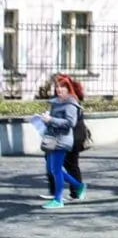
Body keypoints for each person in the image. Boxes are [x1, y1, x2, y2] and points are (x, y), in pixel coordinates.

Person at [39, 75, 86, 209]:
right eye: (57, 87)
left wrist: (51, 120)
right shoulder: (55, 102)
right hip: (52, 138)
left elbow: (71, 122)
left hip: (63, 140)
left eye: (62, 87)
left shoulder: (71, 103)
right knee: (52, 169)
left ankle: (58, 200)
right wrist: (45, 119)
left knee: (56, 170)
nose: (59, 90)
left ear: (68, 89)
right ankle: (78, 186)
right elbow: (54, 119)